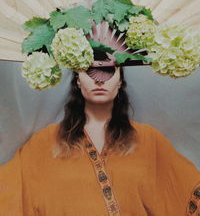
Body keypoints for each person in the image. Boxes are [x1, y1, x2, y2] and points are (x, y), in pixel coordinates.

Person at [0, 66, 199, 216]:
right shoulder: (44, 143)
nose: (100, 81)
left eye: (108, 70)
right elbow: (9, 192)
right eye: (91, 71)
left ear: (120, 80)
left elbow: (186, 188)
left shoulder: (148, 139)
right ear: (78, 80)